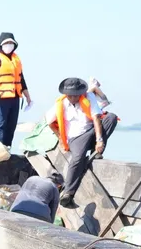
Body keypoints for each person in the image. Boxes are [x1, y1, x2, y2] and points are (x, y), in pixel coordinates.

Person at [47, 77, 118, 207]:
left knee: (111, 117)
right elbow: (50, 122)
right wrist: (60, 140)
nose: (73, 98)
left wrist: (99, 140)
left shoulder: (89, 97)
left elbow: (96, 118)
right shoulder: (60, 103)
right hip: (76, 137)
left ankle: (96, 152)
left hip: (91, 130)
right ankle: (68, 193)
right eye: (70, 96)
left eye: (76, 95)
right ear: (66, 94)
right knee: (78, 158)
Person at [0, 32, 32, 148]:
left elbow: (21, 79)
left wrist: (28, 96)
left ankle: (7, 149)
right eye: (6, 43)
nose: (8, 45)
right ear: (1, 45)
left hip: (15, 98)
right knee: (1, 125)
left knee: (11, 125)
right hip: (1, 98)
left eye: (11, 43)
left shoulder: (16, 60)